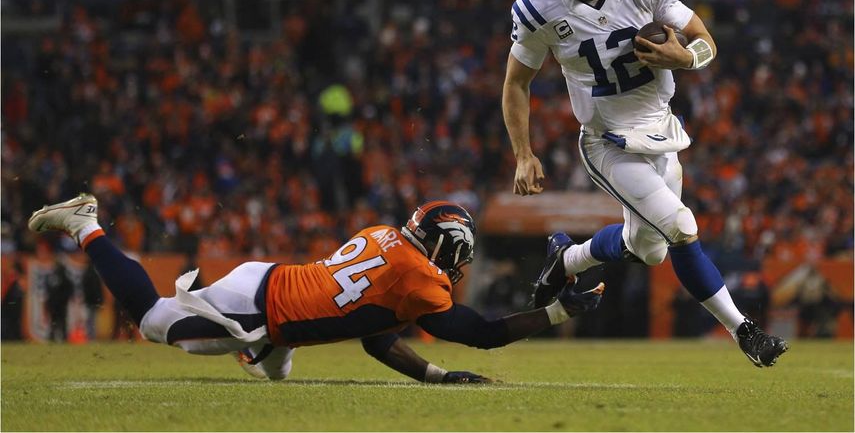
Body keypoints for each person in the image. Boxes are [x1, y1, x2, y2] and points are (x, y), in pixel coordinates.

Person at [502, 0, 788, 367]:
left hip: (660, 131)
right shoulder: (539, 10)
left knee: (648, 250)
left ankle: (567, 258)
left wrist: (685, 58)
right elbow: (516, 83)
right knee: (681, 225)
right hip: (607, 142)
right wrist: (523, 154)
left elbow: (704, 40)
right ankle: (745, 331)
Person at [29, 193, 605, 383]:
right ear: (442, 245)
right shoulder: (418, 275)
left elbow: (376, 335)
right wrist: (557, 312)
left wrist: (435, 376)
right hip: (259, 310)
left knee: (275, 375)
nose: (459, 262)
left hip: (271, 283)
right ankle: (86, 225)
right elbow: (481, 333)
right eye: (458, 251)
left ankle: (261, 352)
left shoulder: (384, 235)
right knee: (154, 320)